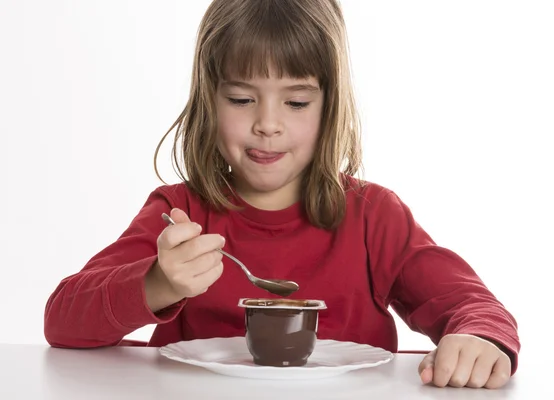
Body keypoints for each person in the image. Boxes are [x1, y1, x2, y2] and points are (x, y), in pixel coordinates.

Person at [44, 0, 520, 389]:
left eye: (295, 102)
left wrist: (478, 340)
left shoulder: (374, 216)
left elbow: (472, 305)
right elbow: (62, 320)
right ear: (209, 100)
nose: (267, 124)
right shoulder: (179, 213)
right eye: (240, 99)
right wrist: (158, 284)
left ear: (329, 107)